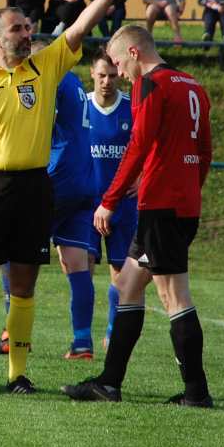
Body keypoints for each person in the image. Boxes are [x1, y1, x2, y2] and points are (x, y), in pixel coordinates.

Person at [0, 0, 129, 394]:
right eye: (17, 29)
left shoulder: (44, 69)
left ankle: (17, 374)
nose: (27, 34)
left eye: (27, 28)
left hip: (34, 187)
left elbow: (78, 28)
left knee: (24, 282)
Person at [61, 24, 213, 407]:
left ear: (132, 53)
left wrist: (109, 200)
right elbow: (205, 150)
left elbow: (139, 144)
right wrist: (191, 188)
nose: (118, 73)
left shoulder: (150, 85)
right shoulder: (192, 84)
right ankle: (109, 383)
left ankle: (197, 393)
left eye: (116, 62)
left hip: (163, 205)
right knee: (128, 284)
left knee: (174, 296)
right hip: (177, 203)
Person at [0, 40, 98, 360]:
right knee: (76, 263)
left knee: (10, 249)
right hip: (83, 181)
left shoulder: (50, 78)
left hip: (54, 179)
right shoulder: (75, 82)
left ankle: (12, 335)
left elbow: (36, 126)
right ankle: (82, 342)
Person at [86, 48, 142, 350]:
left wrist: (142, 176)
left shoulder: (131, 106)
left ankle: (111, 330)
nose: (106, 81)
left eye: (111, 75)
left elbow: (148, 143)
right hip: (87, 203)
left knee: (120, 273)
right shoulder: (81, 106)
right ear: (92, 74)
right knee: (82, 268)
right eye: (101, 75)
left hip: (123, 205)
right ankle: (82, 338)